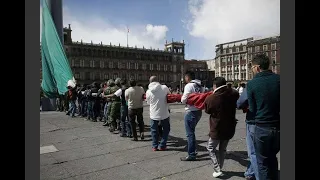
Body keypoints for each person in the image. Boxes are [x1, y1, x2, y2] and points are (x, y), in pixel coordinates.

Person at [247, 54, 280, 180]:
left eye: (252, 67)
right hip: (278, 126)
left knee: (263, 163)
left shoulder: (252, 84)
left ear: (258, 67)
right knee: (273, 159)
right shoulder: (279, 79)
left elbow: (252, 109)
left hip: (262, 128)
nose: (252, 70)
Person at [204, 77, 239, 178]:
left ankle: (217, 168)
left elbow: (207, 110)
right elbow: (235, 94)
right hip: (230, 126)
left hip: (217, 127)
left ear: (215, 85)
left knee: (210, 148)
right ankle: (220, 167)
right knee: (222, 149)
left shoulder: (212, 98)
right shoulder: (234, 94)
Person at [180, 71, 204, 161]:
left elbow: (183, 99)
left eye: (185, 77)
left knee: (189, 134)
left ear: (188, 77)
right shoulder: (200, 85)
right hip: (198, 111)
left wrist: (183, 100)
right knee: (192, 132)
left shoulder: (189, 86)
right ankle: (194, 150)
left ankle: (191, 154)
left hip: (190, 111)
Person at [237, 86, 258, 180]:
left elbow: (240, 103)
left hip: (255, 120)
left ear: (257, 69)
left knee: (254, 152)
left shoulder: (252, 85)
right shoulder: (279, 81)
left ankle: (258, 176)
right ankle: (250, 172)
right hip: (274, 121)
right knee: (269, 152)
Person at [146, 76, 171, 151]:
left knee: (154, 130)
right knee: (166, 129)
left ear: (150, 82)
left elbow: (148, 102)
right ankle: (162, 145)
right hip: (164, 112)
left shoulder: (148, 91)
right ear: (158, 81)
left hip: (153, 113)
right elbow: (169, 96)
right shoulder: (164, 87)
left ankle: (154, 146)